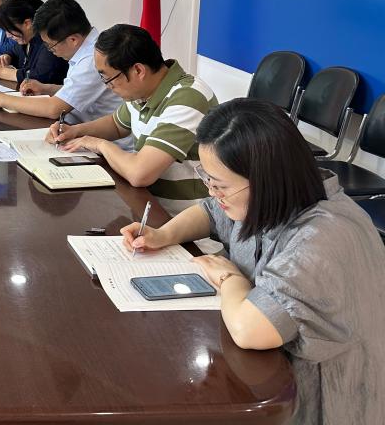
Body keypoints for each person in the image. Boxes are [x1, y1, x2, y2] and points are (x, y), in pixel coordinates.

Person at [120, 99, 385, 425]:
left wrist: (230, 279)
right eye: (208, 179)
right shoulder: (266, 198)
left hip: (327, 397)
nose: (212, 192)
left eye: (219, 185)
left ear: (265, 179)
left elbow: (250, 330)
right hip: (273, 369)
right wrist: (163, 234)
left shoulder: (323, 238)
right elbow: (210, 212)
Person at [49, 23, 215, 213]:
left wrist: (98, 144)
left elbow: (139, 174)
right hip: (146, 205)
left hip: (183, 219)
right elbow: (116, 124)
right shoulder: (145, 91)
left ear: (138, 71)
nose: (107, 87)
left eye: (108, 79)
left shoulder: (188, 98)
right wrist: (74, 131)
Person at [0, 0, 123, 126]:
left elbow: (54, 109)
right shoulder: (86, 48)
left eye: (50, 46)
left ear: (73, 40)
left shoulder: (93, 59)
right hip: (75, 127)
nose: (50, 50)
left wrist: (2, 99)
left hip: (101, 141)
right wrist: (47, 89)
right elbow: (77, 93)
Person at [0, 0, 67, 92]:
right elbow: (13, 51)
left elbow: (40, 76)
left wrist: (0, 72)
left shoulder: (48, 41)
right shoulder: (25, 40)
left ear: (27, 23)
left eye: (9, 30)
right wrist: (7, 56)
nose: (8, 36)